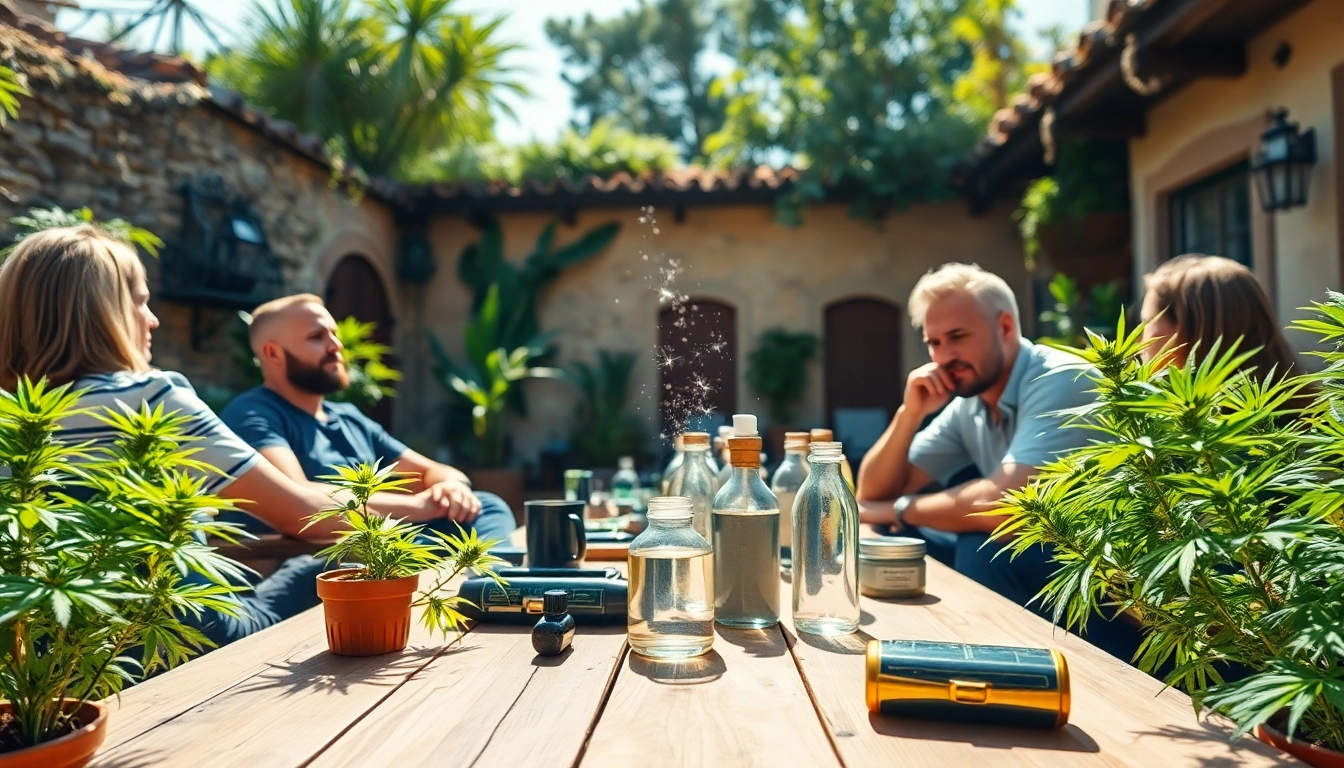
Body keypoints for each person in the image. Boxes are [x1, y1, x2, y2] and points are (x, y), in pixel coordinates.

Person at [0, 225, 473, 647]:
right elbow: (303, 513)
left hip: (50, 661)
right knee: (344, 566)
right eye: (141, 302)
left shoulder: (11, 419)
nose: (153, 320)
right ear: (101, 314)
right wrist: (429, 508)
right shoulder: (150, 397)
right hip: (187, 635)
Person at [855, 262, 1096, 607]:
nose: (943, 357)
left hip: (1101, 578)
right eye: (933, 343)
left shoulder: (1059, 379)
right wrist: (910, 414)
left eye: (957, 337)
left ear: (1005, 327)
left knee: (983, 548)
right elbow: (873, 492)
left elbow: (1006, 507)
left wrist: (901, 508)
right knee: (898, 539)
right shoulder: (972, 403)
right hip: (1042, 565)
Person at [218, 294, 515, 546]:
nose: (336, 346)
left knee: (486, 506)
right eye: (317, 337)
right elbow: (297, 495)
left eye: (334, 334)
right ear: (273, 353)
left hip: (380, 538)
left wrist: (451, 487)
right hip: (318, 556)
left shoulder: (349, 419)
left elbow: (431, 472)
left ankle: (487, 594)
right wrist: (417, 508)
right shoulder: (252, 415)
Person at [1139, 254, 1298, 377]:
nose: (1139, 342)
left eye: (1147, 321)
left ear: (1182, 331)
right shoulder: (1308, 414)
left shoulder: (1176, 418)